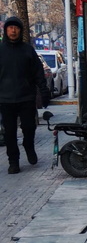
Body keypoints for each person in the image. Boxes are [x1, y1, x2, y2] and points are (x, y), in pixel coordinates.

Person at [0, 16, 50, 174]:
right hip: (5, 99)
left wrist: (44, 91)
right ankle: (13, 161)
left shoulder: (28, 50)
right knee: (9, 133)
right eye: (10, 28)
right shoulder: (1, 50)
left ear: (20, 30)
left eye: (16, 28)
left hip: (26, 97)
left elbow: (38, 73)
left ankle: (29, 146)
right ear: (6, 30)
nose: (13, 31)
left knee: (29, 127)